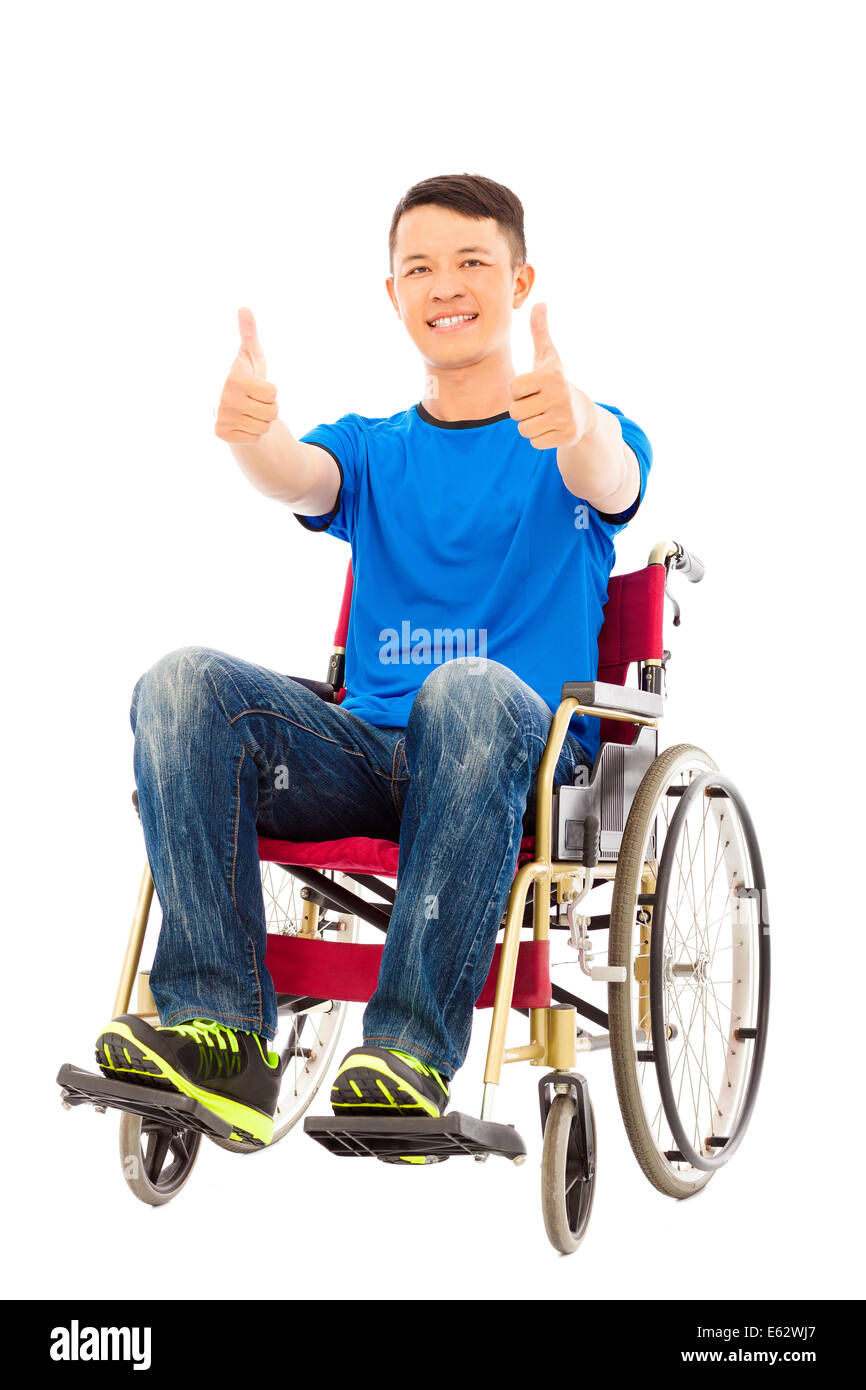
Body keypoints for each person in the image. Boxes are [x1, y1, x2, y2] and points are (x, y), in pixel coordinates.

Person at [95, 172, 652, 1147]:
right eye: (419, 268)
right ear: (390, 295)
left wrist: (581, 420)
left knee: (466, 689)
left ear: (519, 282)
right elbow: (297, 474)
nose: (445, 284)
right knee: (180, 681)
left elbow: (607, 477)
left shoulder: (571, 435)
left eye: (472, 262)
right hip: (365, 750)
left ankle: (406, 1051)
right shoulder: (372, 447)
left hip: (516, 754)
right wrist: (253, 433)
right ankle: (220, 1033)